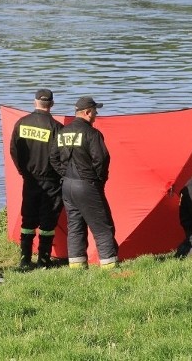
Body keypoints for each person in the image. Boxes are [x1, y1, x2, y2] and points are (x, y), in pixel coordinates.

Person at [50, 96, 118, 269]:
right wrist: (97, 180)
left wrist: (65, 173)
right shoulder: (92, 133)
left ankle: (77, 268)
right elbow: (101, 159)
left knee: (75, 227)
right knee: (103, 227)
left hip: (67, 186)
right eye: (95, 111)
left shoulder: (63, 132)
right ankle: (110, 268)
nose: (96, 114)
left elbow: (53, 158)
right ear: (87, 112)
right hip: (87, 185)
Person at [10, 88, 64, 270]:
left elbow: (14, 150)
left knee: (28, 220)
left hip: (30, 180)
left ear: (35, 102)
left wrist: (23, 171)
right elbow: (62, 157)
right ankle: (44, 260)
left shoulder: (21, 123)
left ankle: (25, 259)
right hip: (51, 181)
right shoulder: (57, 128)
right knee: (48, 222)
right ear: (52, 104)